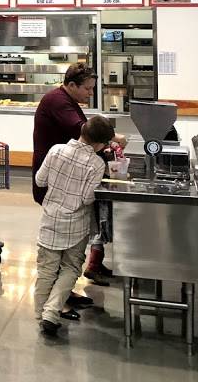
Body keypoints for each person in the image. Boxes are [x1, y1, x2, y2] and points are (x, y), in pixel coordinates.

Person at [31, 63, 114, 289]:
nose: (90, 93)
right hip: (55, 178)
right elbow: (82, 129)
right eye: (87, 88)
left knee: (69, 240)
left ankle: (66, 287)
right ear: (71, 85)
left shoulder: (69, 100)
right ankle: (58, 294)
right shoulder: (58, 101)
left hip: (63, 177)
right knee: (58, 244)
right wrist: (111, 138)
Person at [33, 115, 116, 337]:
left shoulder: (56, 150)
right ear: (100, 144)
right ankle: (52, 312)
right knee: (70, 268)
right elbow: (87, 198)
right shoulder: (96, 164)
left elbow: (40, 180)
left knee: (46, 271)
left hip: (50, 220)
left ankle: (41, 315)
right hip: (76, 225)